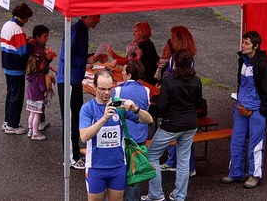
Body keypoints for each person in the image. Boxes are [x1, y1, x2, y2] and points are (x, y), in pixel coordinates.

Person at [221, 30, 267, 189]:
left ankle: (255, 175)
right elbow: (240, 83)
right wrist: (240, 103)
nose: (243, 45)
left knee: (256, 145)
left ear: (255, 46)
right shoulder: (242, 60)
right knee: (236, 141)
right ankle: (235, 173)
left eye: (247, 43)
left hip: (256, 111)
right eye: (243, 42)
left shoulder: (263, 65)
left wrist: (260, 111)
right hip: (241, 110)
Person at [79, 70, 153, 201]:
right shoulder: (88, 108)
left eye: (109, 89)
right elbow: (84, 136)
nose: (106, 92)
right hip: (96, 167)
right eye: (102, 89)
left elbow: (149, 120)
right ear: (94, 87)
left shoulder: (119, 106)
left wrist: (135, 109)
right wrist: (103, 119)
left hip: (118, 166)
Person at [141, 49, 202, 201]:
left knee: (152, 154)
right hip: (190, 123)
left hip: (171, 124)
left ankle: (155, 194)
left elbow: (161, 106)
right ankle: (179, 195)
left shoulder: (169, 81)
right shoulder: (196, 81)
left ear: (175, 63)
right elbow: (198, 103)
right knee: (183, 159)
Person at [56, 15, 108, 169]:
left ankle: (75, 153)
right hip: (68, 81)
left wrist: (91, 57)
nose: (99, 20)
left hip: (75, 80)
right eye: (97, 17)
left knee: (75, 118)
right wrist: (87, 59)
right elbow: (67, 57)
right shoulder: (75, 30)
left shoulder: (82, 30)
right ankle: (71, 157)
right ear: (90, 15)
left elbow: (75, 55)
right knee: (70, 120)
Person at [160, 26, 197, 177]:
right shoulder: (174, 56)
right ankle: (172, 161)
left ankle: (189, 167)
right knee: (178, 133)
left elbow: (178, 78)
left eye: (174, 38)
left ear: (181, 39)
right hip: (176, 102)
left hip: (180, 102)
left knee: (182, 134)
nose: (171, 40)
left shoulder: (185, 58)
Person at [112, 60, 151, 201]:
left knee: (120, 170)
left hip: (124, 136)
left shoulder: (118, 90)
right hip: (140, 136)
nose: (121, 72)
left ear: (128, 75)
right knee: (134, 171)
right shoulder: (146, 90)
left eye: (123, 71)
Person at [0, 3, 36, 135]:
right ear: (23, 16)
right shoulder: (18, 30)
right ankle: (13, 124)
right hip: (16, 67)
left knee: (11, 94)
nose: (27, 21)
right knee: (17, 96)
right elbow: (22, 52)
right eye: (27, 18)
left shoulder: (7, 25)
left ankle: (7, 121)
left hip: (7, 64)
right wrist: (30, 44)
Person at [32, 24, 57, 131]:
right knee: (40, 101)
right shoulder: (37, 50)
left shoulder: (40, 47)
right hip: (40, 79)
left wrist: (48, 58)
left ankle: (38, 121)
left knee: (40, 101)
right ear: (37, 37)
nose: (47, 39)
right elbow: (39, 67)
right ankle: (39, 122)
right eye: (45, 37)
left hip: (39, 78)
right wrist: (47, 59)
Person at [25, 54, 55, 140]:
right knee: (37, 115)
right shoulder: (39, 76)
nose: (44, 65)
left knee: (31, 114)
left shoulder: (29, 75)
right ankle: (35, 133)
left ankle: (30, 130)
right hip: (37, 98)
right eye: (43, 64)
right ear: (38, 65)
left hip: (30, 97)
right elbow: (42, 88)